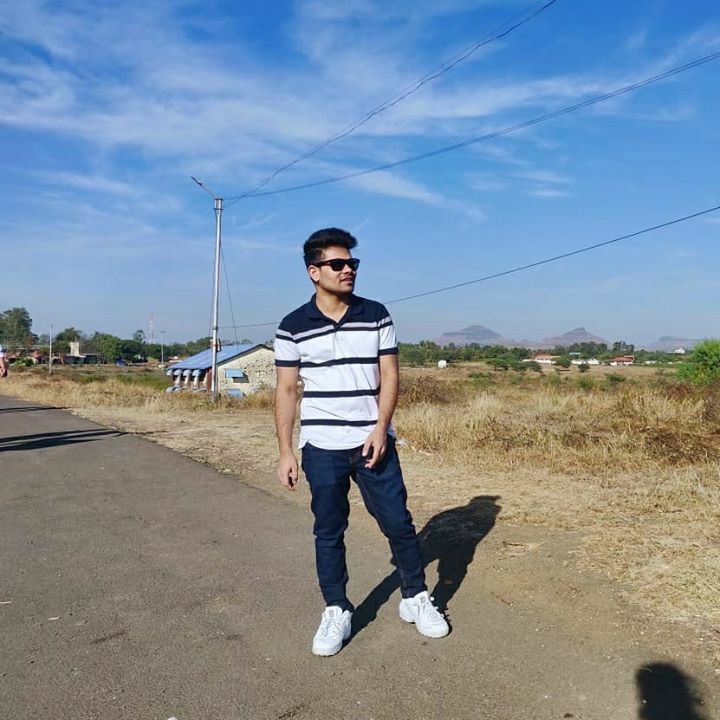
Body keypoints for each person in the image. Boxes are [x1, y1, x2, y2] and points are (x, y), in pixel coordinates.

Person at [274, 227, 449, 656]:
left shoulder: (375, 314)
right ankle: (337, 608)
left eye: (352, 263)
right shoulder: (292, 326)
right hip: (322, 446)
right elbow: (286, 390)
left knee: (398, 522)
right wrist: (286, 451)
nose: (348, 269)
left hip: (373, 442)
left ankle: (415, 596)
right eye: (338, 263)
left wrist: (380, 428)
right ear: (314, 271)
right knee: (328, 530)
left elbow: (390, 375)